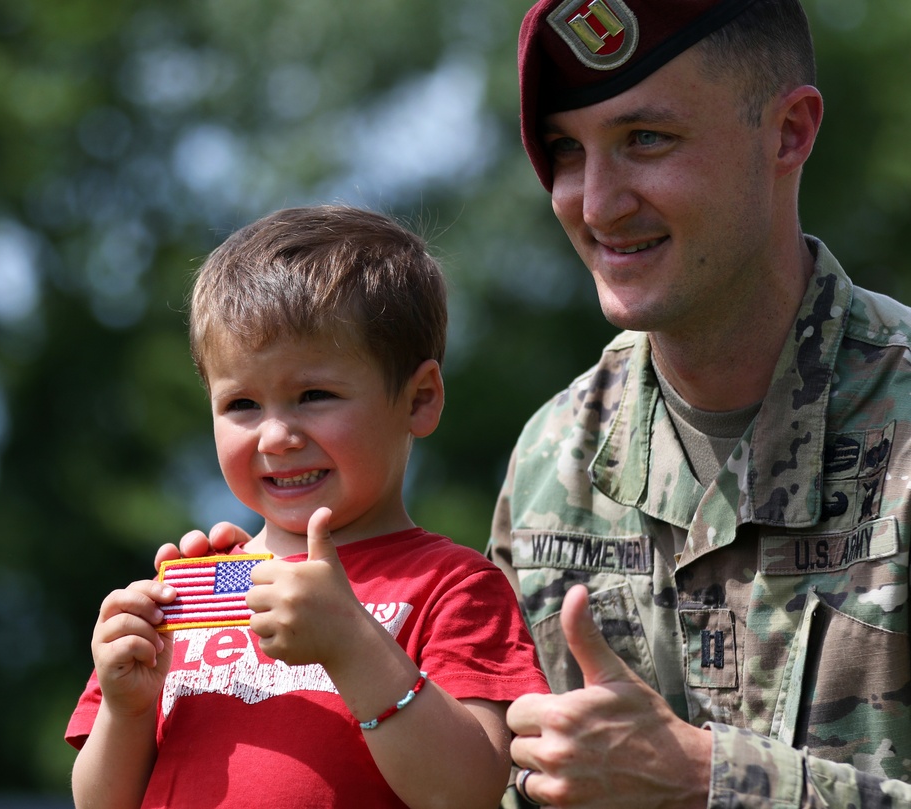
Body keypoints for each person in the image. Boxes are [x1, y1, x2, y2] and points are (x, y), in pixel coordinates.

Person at [486, 0, 911, 807]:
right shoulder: (553, 459)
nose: (599, 204)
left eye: (646, 139)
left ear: (789, 132)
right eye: (567, 150)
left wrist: (706, 781)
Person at [65, 204, 549, 809]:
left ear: (419, 399)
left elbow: (466, 790)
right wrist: (127, 706)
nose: (275, 437)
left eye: (314, 395)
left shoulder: (454, 587)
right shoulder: (198, 586)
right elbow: (98, 802)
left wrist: (350, 641)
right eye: (241, 404)